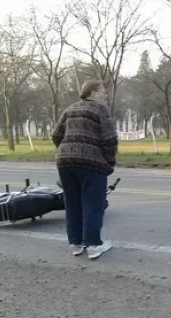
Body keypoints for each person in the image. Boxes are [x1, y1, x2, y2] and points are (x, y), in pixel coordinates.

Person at [51, 80, 117, 259]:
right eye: (103, 91)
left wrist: (67, 149)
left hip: (65, 162)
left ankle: (76, 243)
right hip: (91, 163)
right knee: (93, 204)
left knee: (73, 203)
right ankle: (94, 245)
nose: (105, 94)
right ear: (93, 93)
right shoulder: (100, 110)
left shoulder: (69, 109)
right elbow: (110, 139)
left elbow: (56, 135)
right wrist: (109, 162)